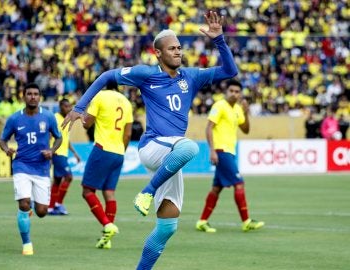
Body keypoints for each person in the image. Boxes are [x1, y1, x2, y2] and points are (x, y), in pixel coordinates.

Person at [62, 11, 238, 269]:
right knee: (190, 146)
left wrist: (219, 40)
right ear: (158, 53)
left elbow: (230, 71)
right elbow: (107, 76)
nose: (178, 52)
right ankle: (146, 192)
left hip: (171, 155)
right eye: (172, 48)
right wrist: (80, 105)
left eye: (179, 47)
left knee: (168, 226)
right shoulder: (146, 74)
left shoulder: (191, 76)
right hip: (153, 146)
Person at [0, 83, 62, 255]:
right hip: (21, 165)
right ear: (24, 96)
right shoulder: (14, 119)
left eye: (35, 94)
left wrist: (52, 151)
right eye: (29, 93)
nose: (32, 96)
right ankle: (27, 244)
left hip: (41, 168)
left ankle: (32, 208)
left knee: (42, 212)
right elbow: (2, 139)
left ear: (39, 97)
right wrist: (6, 150)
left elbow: (58, 137)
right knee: (24, 203)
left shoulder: (48, 117)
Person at [196, 79, 265, 233]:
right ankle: (246, 221)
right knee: (239, 183)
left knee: (216, 189)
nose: (234, 94)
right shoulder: (219, 106)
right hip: (221, 151)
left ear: (240, 94)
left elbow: (246, 130)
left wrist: (246, 113)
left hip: (230, 152)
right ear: (226, 92)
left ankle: (202, 221)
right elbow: (209, 128)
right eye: (231, 91)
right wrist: (212, 150)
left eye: (237, 91)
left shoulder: (238, 109)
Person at [82, 89, 133, 249]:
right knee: (109, 193)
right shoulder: (126, 102)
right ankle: (107, 238)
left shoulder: (100, 96)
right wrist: (121, 152)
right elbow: (128, 134)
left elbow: (87, 124)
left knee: (88, 191)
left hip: (102, 148)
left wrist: (82, 114)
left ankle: (106, 224)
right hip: (119, 152)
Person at [48, 99, 81, 215]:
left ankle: (51, 207)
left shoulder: (67, 119)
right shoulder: (55, 118)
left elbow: (66, 139)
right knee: (69, 177)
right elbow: (49, 135)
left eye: (69, 107)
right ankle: (58, 203)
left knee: (57, 181)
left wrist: (75, 153)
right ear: (60, 107)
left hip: (64, 154)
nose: (68, 109)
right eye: (66, 106)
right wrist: (50, 151)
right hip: (57, 153)